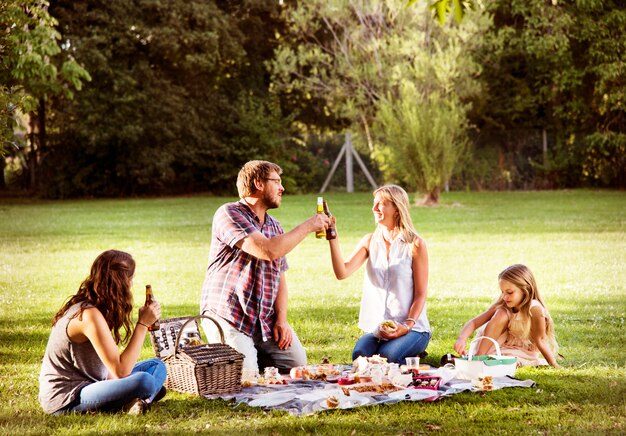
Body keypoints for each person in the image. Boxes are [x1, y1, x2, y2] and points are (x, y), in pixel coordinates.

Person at [199, 160, 330, 373]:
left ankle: (248, 354)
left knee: (297, 365)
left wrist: (282, 320)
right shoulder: (229, 213)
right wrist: (309, 226)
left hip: (263, 320)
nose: (282, 188)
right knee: (246, 378)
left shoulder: (275, 226)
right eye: (276, 182)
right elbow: (268, 250)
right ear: (259, 183)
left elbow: (280, 276)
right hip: (229, 314)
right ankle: (227, 358)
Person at [38, 250, 167, 415]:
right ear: (120, 283)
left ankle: (138, 399)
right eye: (131, 279)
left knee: (156, 366)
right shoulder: (88, 314)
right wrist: (142, 324)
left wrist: (119, 382)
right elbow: (121, 371)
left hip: (95, 382)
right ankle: (142, 395)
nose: (132, 285)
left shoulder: (95, 308)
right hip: (67, 398)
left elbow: (113, 371)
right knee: (144, 381)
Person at [327, 184, 431, 364]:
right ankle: (399, 351)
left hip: (413, 328)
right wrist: (333, 239)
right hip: (379, 329)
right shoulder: (370, 241)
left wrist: (406, 327)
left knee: (387, 358)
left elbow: (421, 294)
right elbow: (342, 272)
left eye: (381, 204)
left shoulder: (415, 245)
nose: (374, 209)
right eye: (374, 203)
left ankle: (411, 350)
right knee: (360, 357)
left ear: (397, 209)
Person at [454, 264, 560, 367]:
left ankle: (481, 360)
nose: (504, 297)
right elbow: (474, 322)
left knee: (507, 360)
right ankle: (479, 357)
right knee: (501, 313)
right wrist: (462, 338)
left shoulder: (535, 309)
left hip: (522, 351)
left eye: (509, 292)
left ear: (525, 290)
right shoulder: (503, 305)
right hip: (494, 346)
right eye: (502, 292)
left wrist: (554, 365)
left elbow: (540, 339)